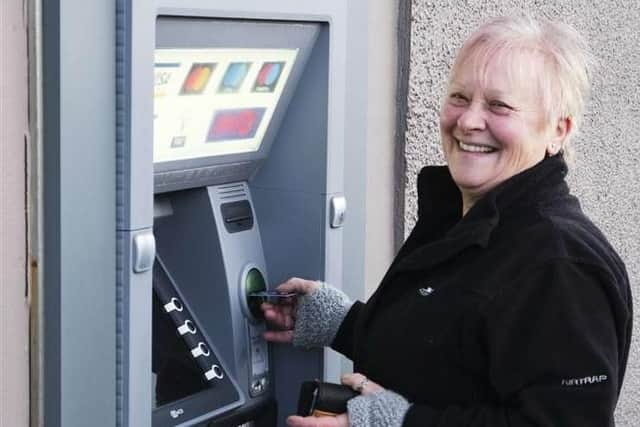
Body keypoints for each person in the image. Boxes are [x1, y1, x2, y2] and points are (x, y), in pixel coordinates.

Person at [261, 14, 632, 427]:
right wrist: (345, 323)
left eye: (499, 105)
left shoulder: (559, 265)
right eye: (459, 97)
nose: (469, 121)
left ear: (558, 131)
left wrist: (398, 423)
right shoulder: (465, 216)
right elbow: (452, 350)